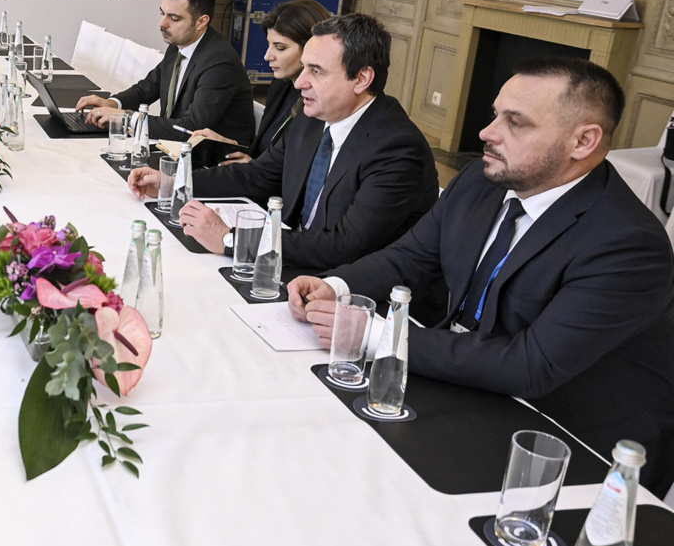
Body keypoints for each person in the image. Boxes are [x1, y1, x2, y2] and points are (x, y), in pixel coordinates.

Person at [288, 56, 674, 493]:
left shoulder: (626, 243)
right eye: (495, 114)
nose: (487, 133)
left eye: (516, 122)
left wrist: (377, 334)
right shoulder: (482, 178)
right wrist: (336, 286)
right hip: (473, 387)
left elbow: (532, 365)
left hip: (574, 444)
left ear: (583, 141)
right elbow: (410, 257)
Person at [128, 13, 437, 270]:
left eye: (316, 71)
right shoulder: (313, 117)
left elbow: (345, 246)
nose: (300, 82)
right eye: (304, 67)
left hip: (352, 293)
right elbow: (256, 176)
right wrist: (174, 183)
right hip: (294, 261)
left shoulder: (396, 148)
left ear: (361, 79)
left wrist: (231, 239)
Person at [74, 0, 255, 154]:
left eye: (174, 18)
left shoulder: (219, 63)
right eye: (163, 13)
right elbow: (146, 89)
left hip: (211, 160)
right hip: (175, 148)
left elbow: (191, 129)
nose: (162, 24)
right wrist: (113, 103)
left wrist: (126, 117)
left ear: (201, 22)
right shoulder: (179, 45)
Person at [213, 0, 331, 165]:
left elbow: (299, 170)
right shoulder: (281, 84)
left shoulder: (321, 103)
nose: (267, 56)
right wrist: (225, 145)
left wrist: (253, 167)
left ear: (310, 48)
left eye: (280, 48)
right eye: (269, 45)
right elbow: (264, 151)